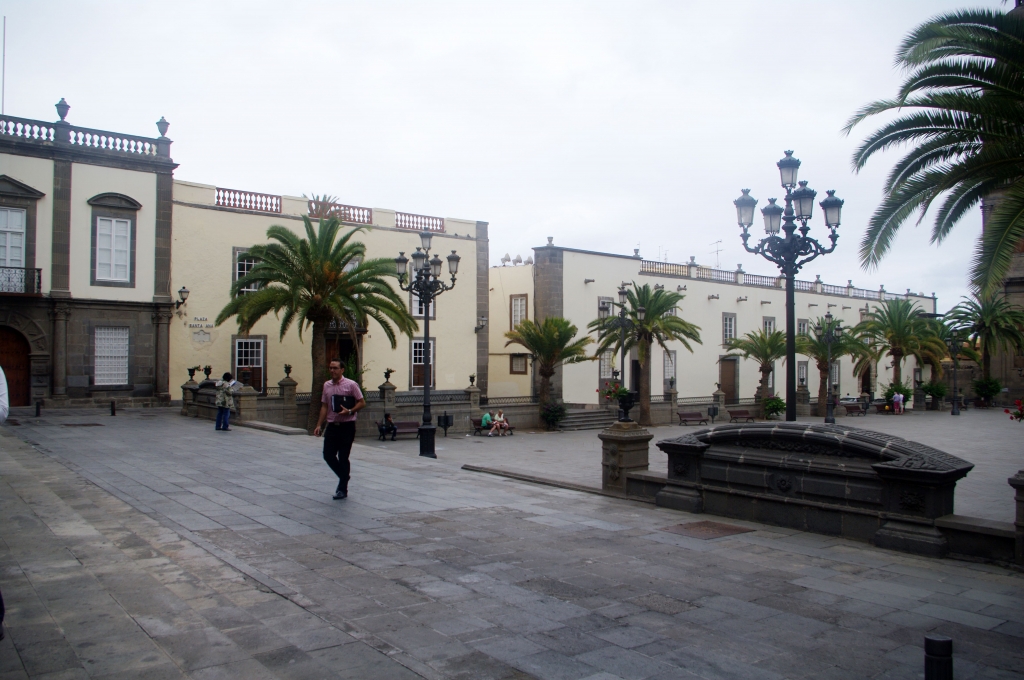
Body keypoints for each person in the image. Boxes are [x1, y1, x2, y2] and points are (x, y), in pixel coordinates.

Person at [314, 359, 366, 500]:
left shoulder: (351, 385)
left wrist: (350, 411)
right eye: (330, 368)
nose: (332, 370)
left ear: (342, 370)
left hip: (347, 426)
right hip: (332, 426)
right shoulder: (327, 385)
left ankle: (342, 489)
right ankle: (344, 476)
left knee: (343, 457)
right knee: (328, 455)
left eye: (335, 368)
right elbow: (324, 406)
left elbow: (362, 403)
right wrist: (319, 424)